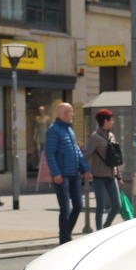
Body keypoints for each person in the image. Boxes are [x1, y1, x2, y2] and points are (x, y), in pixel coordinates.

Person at [44, 101, 92, 244]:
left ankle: (66, 233)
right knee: (65, 208)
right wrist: (56, 173)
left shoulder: (70, 130)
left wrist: (85, 169)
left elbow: (77, 152)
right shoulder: (54, 130)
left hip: (74, 174)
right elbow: (50, 153)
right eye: (70, 111)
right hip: (62, 176)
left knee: (78, 206)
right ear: (64, 114)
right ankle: (64, 239)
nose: (72, 114)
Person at [85, 109, 127, 228]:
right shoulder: (95, 137)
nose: (113, 122)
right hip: (98, 177)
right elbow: (87, 155)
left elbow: (115, 158)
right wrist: (86, 171)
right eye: (111, 120)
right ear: (105, 121)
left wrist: (119, 177)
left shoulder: (111, 136)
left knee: (116, 205)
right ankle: (99, 231)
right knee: (100, 207)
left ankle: (105, 227)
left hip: (111, 176)